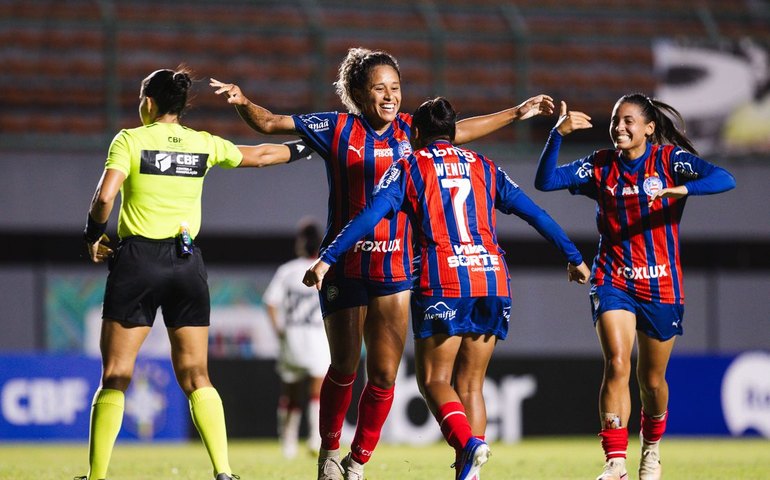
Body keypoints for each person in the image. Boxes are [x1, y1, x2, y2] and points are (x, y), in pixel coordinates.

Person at [211, 47, 556, 480]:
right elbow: (270, 123)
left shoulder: (414, 129)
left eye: (395, 87)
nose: (390, 96)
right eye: (380, 88)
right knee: (342, 368)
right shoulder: (336, 128)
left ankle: (358, 463)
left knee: (384, 375)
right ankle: (329, 456)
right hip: (346, 266)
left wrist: (517, 113)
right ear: (358, 92)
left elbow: (462, 130)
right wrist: (244, 103)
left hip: (395, 271)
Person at [302, 97, 591, 480]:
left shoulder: (409, 165)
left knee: (434, 381)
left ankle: (469, 446)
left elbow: (370, 215)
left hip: (444, 280)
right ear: (454, 132)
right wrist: (573, 256)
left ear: (415, 134)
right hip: (492, 278)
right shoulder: (485, 166)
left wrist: (329, 257)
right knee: (471, 384)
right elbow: (534, 212)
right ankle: (468, 472)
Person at [78, 66, 311, 480]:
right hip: (186, 264)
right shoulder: (202, 144)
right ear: (182, 105)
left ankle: (96, 477)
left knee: (116, 374)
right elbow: (259, 155)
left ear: (148, 102)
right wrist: (312, 145)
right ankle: (223, 471)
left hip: (138, 261)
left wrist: (95, 234)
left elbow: (104, 197)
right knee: (197, 374)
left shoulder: (130, 139)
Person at [534, 95, 736, 480]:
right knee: (618, 362)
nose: (619, 128)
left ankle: (652, 449)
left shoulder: (669, 162)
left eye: (628, 121)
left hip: (662, 285)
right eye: (614, 121)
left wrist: (685, 190)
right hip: (614, 279)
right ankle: (615, 462)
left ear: (648, 128)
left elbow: (725, 178)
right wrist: (556, 136)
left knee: (652, 381)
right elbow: (545, 181)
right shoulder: (600, 166)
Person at [263, 218, 330, 459]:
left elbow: (270, 301)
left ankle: (288, 443)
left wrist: (279, 329)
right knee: (317, 392)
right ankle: (315, 438)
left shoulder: (288, 270)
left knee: (290, 394)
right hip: (318, 337)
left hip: (292, 337)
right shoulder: (325, 268)